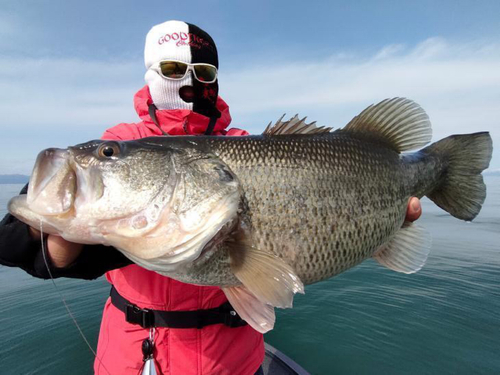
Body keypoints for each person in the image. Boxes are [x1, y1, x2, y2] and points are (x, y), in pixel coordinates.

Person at [0, 20, 423, 375]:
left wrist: (373, 224)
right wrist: (62, 249)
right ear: (151, 75)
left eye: (203, 71)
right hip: (134, 357)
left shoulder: (240, 146)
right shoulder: (121, 142)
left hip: (232, 361)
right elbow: (13, 239)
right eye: (171, 68)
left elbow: (274, 280)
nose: (188, 81)